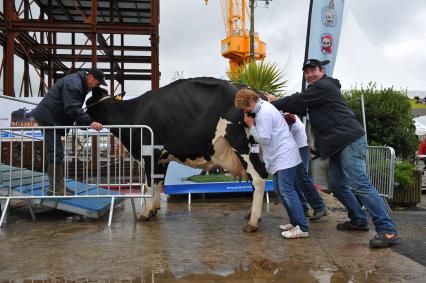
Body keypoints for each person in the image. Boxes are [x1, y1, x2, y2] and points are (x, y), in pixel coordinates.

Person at [265, 59, 399, 248]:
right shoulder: (316, 92)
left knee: (360, 184)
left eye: (313, 70)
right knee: (336, 185)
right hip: (337, 145)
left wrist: (272, 103)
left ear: (322, 71)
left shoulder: (325, 86)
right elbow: (298, 105)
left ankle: (388, 230)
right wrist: (277, 102)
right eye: (306, 72)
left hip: (349, 140)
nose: (310, 75)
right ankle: (358, 219)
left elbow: (298, 100)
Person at [234, 88, 309, 239]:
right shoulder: (263, 109)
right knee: (280, 191)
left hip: (284, 156)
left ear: (252, 101)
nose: (245, 111)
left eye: (245, 107)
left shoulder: (264, 113)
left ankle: (302, 227)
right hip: (278, 157)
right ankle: (295, 223)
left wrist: (251, 126)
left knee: (287, 191)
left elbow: (264, 139)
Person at [31, 68, 105, 196]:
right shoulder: (73, 84)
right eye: (97, 84)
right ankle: (55, 188)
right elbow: (72, 107)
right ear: (91, 77)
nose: (95, 87)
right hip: (49, 118)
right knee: (56, 153)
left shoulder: (78, 83)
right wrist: (90, 122)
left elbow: (72, 107)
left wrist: (83, 122)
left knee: (57, 153)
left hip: (56, 119)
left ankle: (60, 186)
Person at [284, 113, 328, 221]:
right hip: (292, 145)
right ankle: (303, 208)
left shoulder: (278, 110)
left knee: (301, 176)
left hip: (299, 145)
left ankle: (319, 206)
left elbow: (291, 118)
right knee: (295, 179)